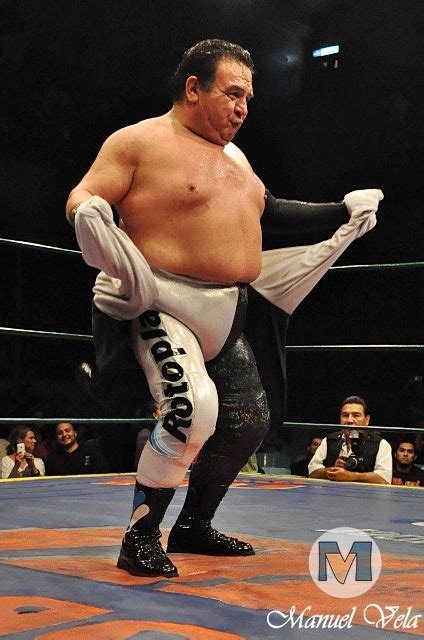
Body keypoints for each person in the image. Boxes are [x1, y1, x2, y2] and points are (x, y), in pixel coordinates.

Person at [66, 39, 383, 578]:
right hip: (161, 300)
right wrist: (95, 221)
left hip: (228, 307)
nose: (242, 108)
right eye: (233, 94)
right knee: (194, 409)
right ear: (194, 88)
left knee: (247, 420)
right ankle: (140, 536)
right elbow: (83, 197)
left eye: (248, 98)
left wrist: (341, 208)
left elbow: (270, 210)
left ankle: (193, 524)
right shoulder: (139, 141)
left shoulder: (235, 157)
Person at [308, 395, 392, 484]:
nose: (349, 420)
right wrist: (332, 470)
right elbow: (312, 471)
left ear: (366, 420)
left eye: (356, 415)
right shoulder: (328, 440)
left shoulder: (381, 444)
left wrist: (350, 476)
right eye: (345, 415)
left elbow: (384, 478)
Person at [45, 422, 109, 476]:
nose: (64, 434)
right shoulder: (52, 458)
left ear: (75, 433)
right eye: (60, 433)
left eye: (67, 430)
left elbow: (103, 474)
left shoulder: (91, 451)